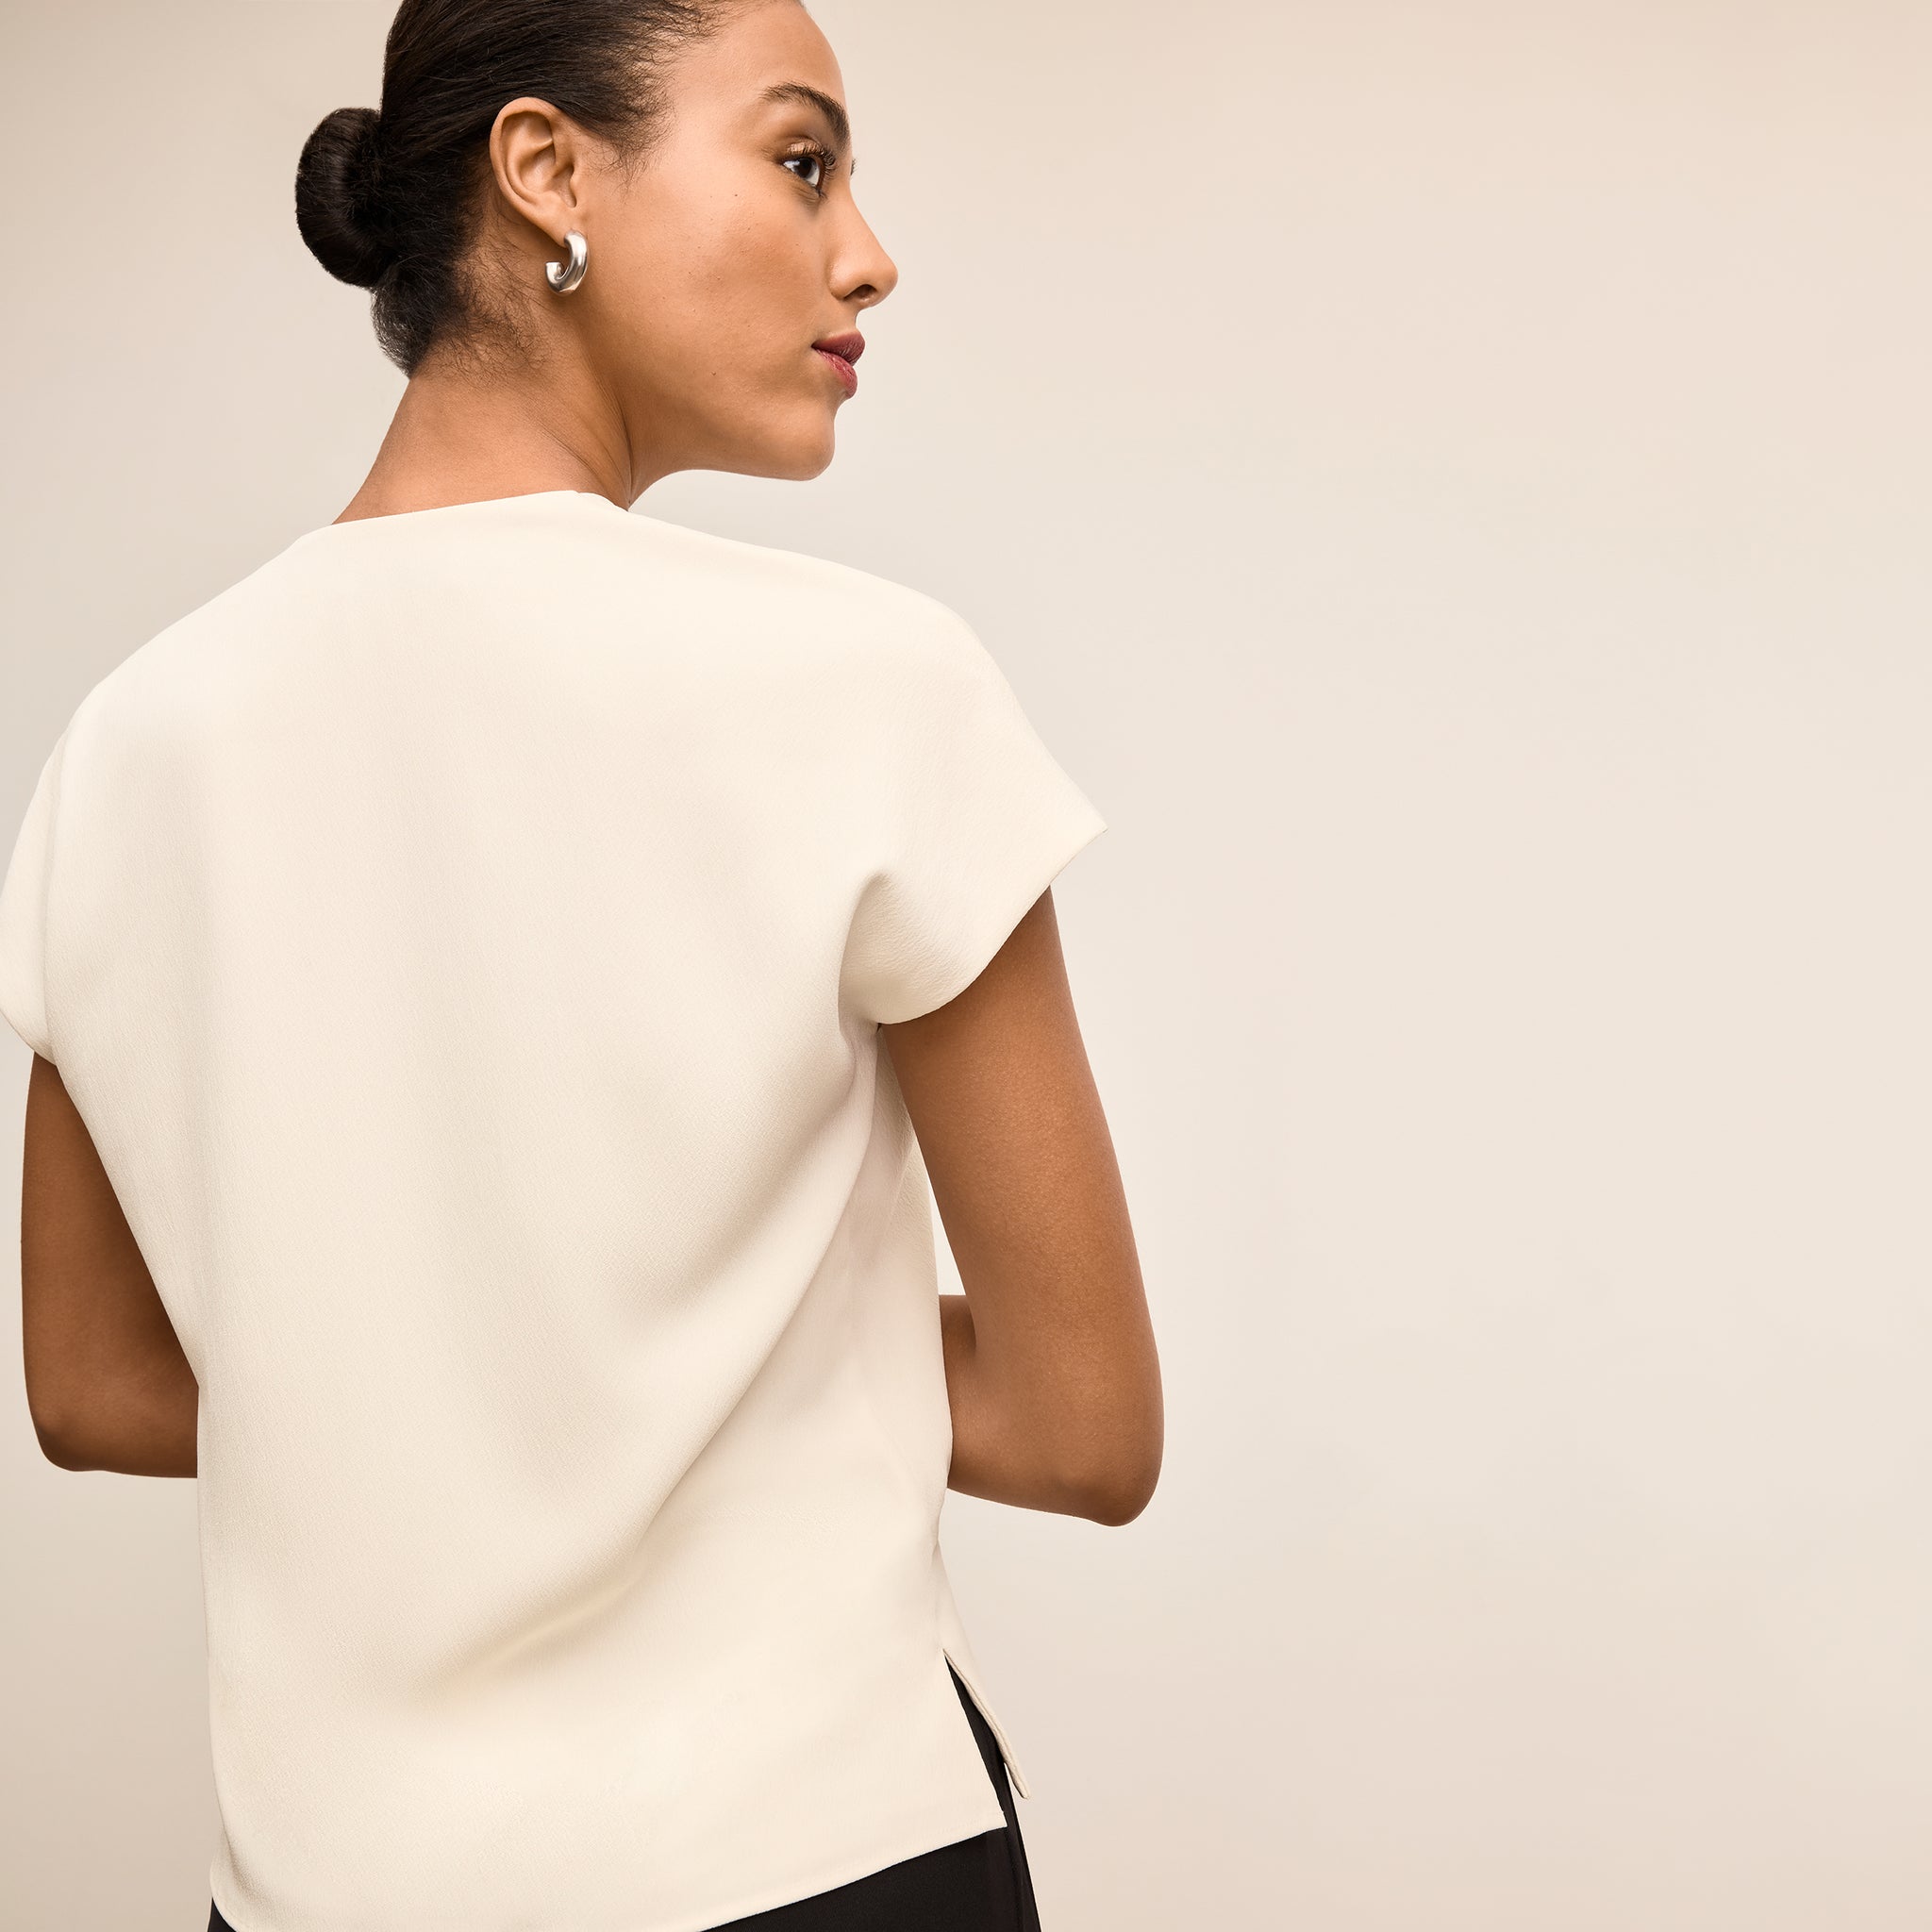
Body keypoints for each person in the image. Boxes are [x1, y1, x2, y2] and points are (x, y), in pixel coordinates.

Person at [0, 1, 1162, 1926]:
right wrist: (686, 1381)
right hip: (807, 1861)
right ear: (545, 172)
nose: (867, 248)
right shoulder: (869, 687)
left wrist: (455, 1387)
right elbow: (1079, 1420)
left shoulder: (130, 743)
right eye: (803, 159)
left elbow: (96, 1384)